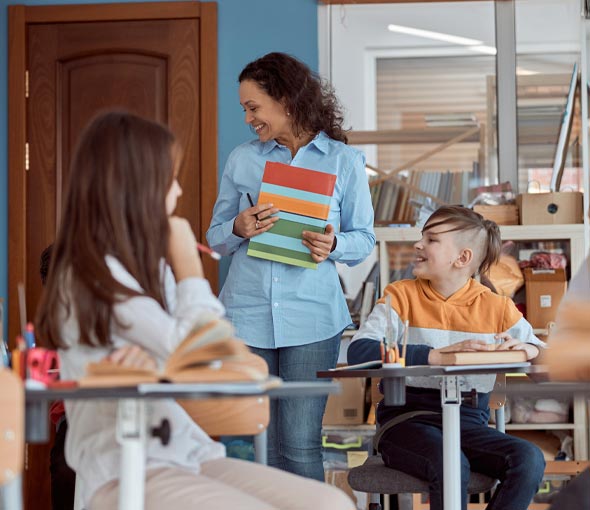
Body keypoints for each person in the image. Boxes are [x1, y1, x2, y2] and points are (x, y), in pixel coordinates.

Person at [35, 111, 355, 510]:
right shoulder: (87, 277)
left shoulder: (150, 267)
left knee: (330, 504)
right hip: (127, 468)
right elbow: (205, 354)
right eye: (168, 179)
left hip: (189, 455)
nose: (177, 191)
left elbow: (214, 352)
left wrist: (190, 348)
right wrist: (189, 268)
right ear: (135, 186)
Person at [206, 52, 375, 481]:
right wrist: (239, 227)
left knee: (299, 446)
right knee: (252, 446)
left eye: (252, 107)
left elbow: (364, 240)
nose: (247, 119)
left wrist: (334, 243)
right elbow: (214, 237)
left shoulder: (344, 161)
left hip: (312, 318)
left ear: (285, 100)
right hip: (246, 315)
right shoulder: (242, 159)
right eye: (244, 108)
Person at [348, 205, 546, 510]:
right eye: (421, 238)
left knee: (529, 459)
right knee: (451, 464)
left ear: (462, 258)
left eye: (431, 240)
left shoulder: (497, 307)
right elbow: (358, 351)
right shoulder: (400, 296)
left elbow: (547, 360)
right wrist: (433, 356)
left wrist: (528, 349)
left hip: (469, 424)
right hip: (405, 422)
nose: (418, 245)